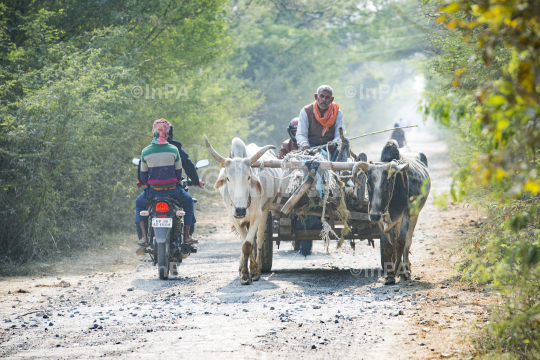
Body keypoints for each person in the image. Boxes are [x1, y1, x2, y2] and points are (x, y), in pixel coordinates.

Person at [135, 119, 197, 247]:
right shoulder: (174, 150)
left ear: (153, 132)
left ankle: (144, 238)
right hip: (173, 190)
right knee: (189, 202)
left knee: (139, 203)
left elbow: (142, 176)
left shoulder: (146, 151)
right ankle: (186, 236)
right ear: (167, 133)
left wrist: (150, 183)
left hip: (153, 191)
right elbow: (179, 174)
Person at [296, 85, 345, 161]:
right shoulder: (306, 111)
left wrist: (334, 143)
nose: (324, 99)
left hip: (329, 148)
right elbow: (301, 134)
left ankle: (339, 172)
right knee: (297, 162)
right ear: (316, 97)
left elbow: (340, 135)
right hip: (310, 147)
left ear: (331, 99)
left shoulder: (337, 113)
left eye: (327, 97)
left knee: (342, 151)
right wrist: (304, 143)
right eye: (321, 96)